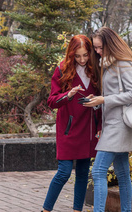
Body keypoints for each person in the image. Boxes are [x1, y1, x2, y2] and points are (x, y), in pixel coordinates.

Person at [84, 27, 132, 212]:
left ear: (110, 44)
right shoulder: (107, 64)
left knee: (99, 171)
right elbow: (112, 95)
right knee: (123, 174)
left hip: (120, 126)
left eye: (100, 47)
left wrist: (105, 99)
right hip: (112, 124)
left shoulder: (123, 64)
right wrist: (98, 102)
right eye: (96, 48)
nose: (98, 52)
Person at [43, 35, 101, 212]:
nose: (82, 60)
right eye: (78, 56)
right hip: (68, 128)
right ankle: (45, 210)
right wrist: (67, 96)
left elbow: (102, 99)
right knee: (64, 172)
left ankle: (77, 210)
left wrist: (99, 123)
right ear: (71, 54)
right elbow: (52, 101)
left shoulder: (96, 70)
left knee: (83, 174)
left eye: (85, 55)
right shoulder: (61, 69)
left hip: (88, 128)